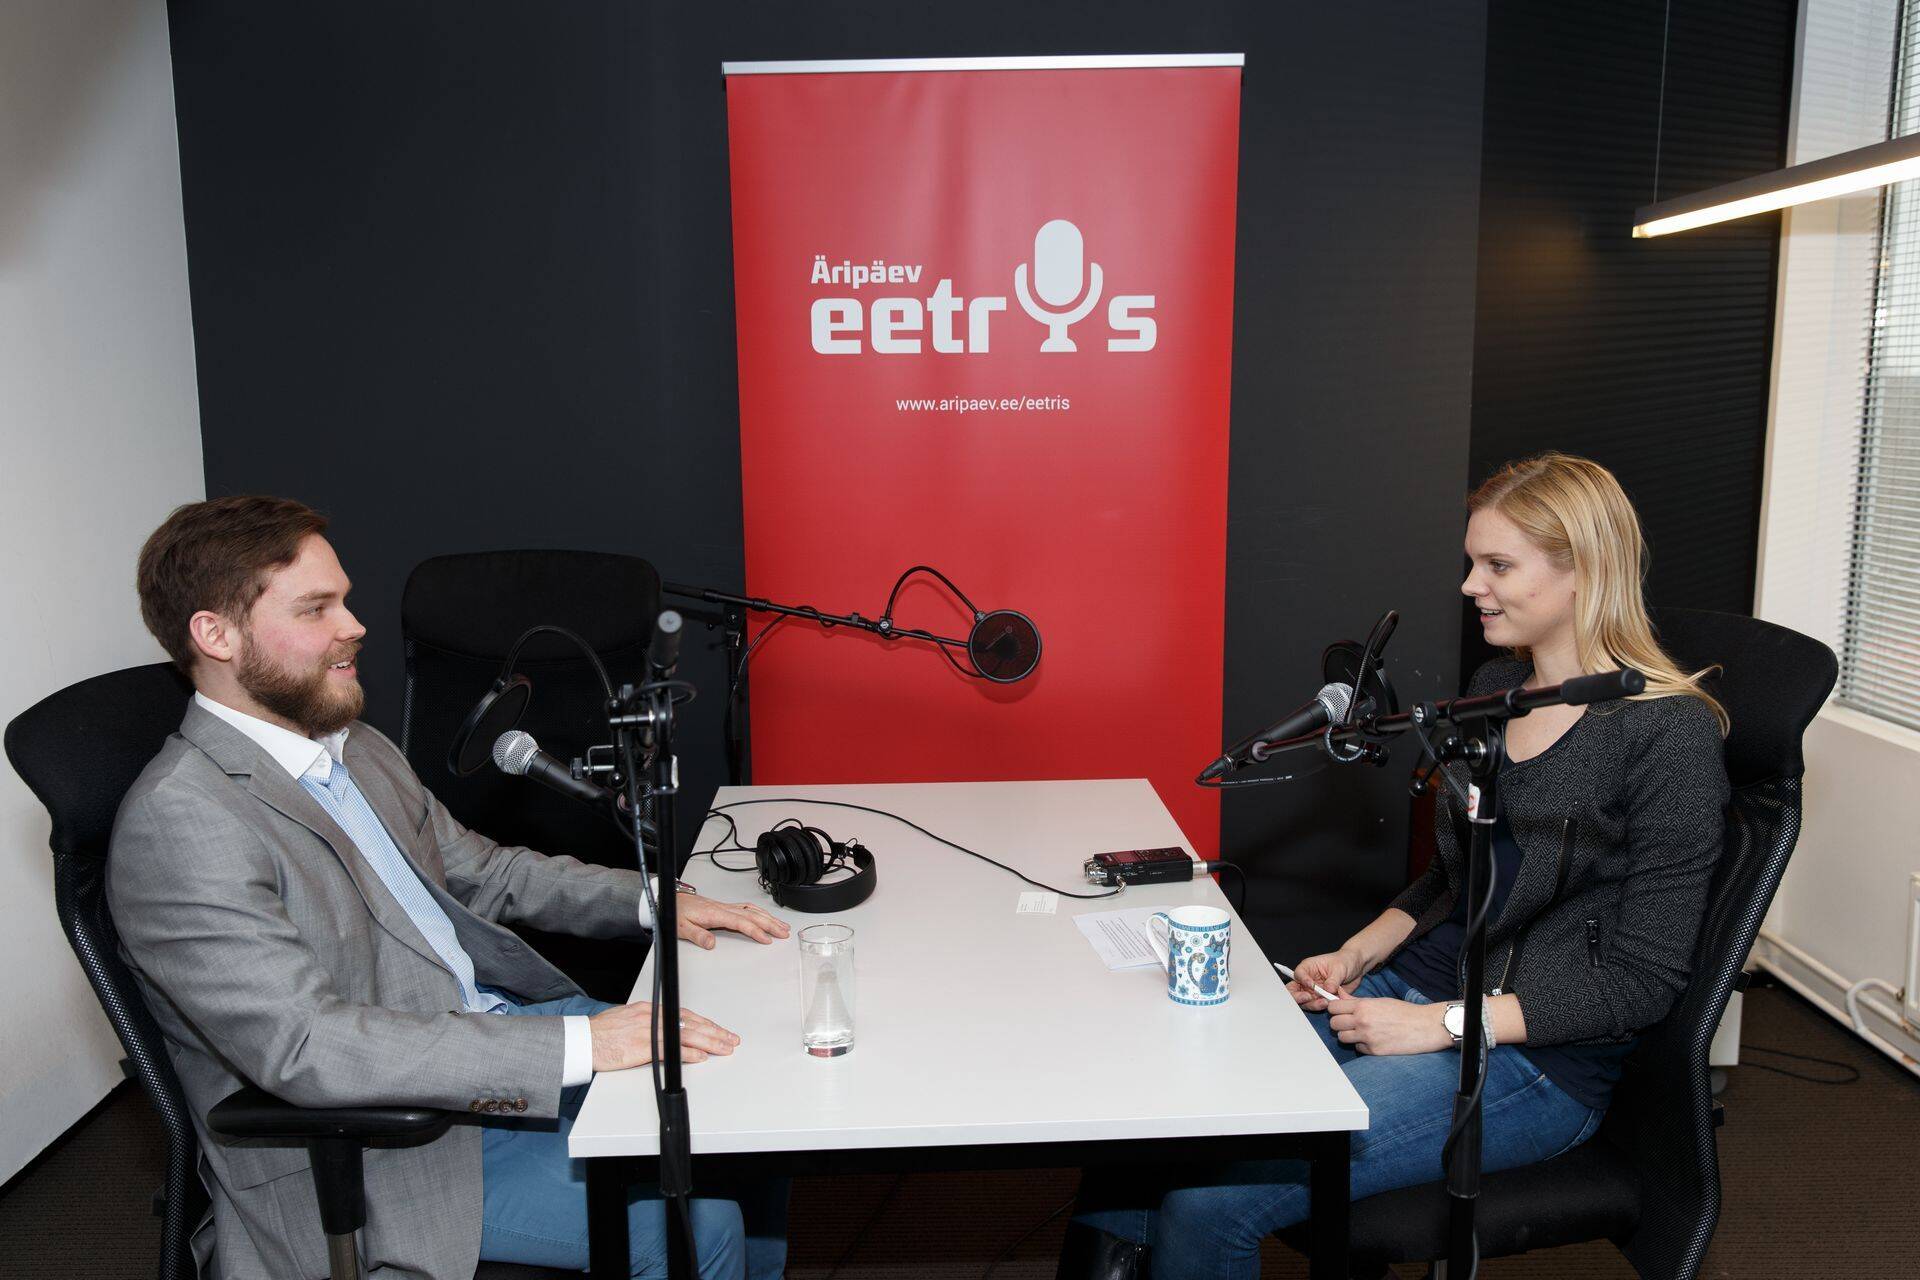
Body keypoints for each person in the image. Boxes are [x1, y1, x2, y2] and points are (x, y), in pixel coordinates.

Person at [1061, 453, 1731, 1279]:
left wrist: (1439, 1025)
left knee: (1213, 1205)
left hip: (1531, 1058)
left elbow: (1642, 981)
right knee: (1158, 1120)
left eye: (1498, 566)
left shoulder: (1668, 735)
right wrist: (1358, 953)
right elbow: (1456, 878)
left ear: (1582, 571)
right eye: (1472, 562)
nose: (1470, 586)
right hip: (1405, 994)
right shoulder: (1498, 689)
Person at [108, 495, 790, 1279]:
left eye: (346, 600)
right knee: (698, 1230)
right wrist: (584, 1044)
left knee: (754, 1115)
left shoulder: (352, 747)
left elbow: (485, 871)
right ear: (216, 635)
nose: (355, 625)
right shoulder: (181, 820)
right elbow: (304, 1046)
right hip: (387, 1145)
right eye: (316, 608)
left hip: (486, 1046)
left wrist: (655, 901)